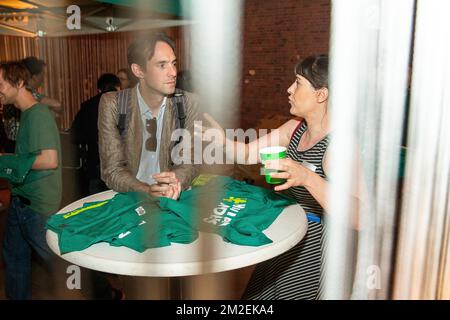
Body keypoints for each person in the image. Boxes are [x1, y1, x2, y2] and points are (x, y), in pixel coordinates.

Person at [202, 54, 361, 299]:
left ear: (321, 94)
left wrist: (307, 177)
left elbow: (361, 217)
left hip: (316, 250)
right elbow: (247, 154)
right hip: (288, 233)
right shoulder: (296, 127)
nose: (289, 89)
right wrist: (222, 141)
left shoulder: (339, 146)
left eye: (298, 82)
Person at [98, 32, 200, 200]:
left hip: (173, 197)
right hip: (129, 197)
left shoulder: (189, 103)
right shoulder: (113, 104)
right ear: (138, 70)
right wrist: (146, 190)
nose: (173, 72)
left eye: (173, 63)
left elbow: (191, 161)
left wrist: (175, 181)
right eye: (162, 65)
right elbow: (112, 169)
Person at [0, 61, 62, 299]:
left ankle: (101, 291)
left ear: (19, 83)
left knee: (61, 263)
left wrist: (6, 161)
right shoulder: (26, 113)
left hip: (36, 207)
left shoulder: (38, 115)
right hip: (21, 201)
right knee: (14, 259)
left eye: (1, 84)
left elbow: (49, 160)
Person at [72, 73, 121, 196]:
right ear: (118, 87)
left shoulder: (87, 106)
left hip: (96, 165)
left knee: (98, 204)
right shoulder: (126, 104)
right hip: (121, 166)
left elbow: (75, 135)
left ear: (98, 89)